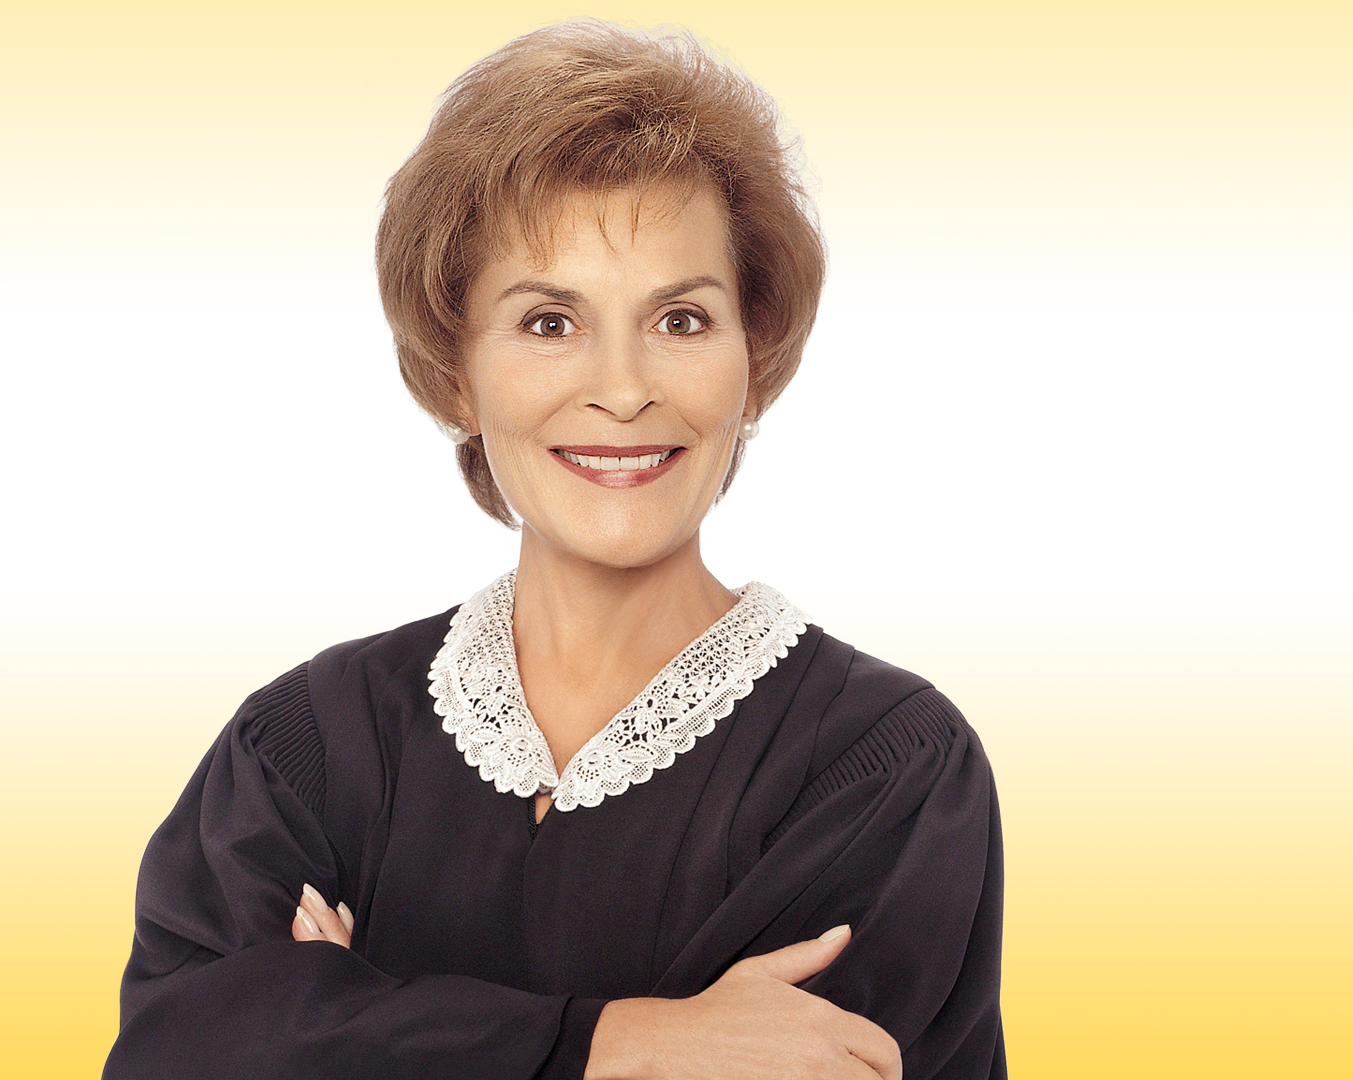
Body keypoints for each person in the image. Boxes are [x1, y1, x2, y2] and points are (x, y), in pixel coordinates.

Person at [105, 20, 1004, 1080]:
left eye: (680, 320)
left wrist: (348, 1023)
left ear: (753, 362)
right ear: (454, 375)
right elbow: (174, 1053)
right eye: (547, 322)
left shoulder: (889, 775)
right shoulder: (307, 747)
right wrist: (628, 1040)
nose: (622, 390)